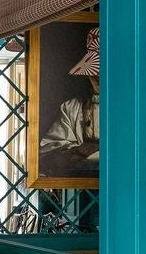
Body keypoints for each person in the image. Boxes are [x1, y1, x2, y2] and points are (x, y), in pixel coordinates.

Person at [39, 27, 100, 175]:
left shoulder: (135, 107)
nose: (98, 78)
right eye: (94, 74)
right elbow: (48, 147)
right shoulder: (72, 107)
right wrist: (76, 149)